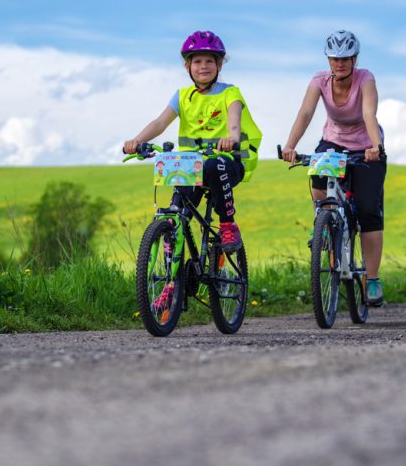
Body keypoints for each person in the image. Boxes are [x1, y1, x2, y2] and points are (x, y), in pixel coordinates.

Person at [124, 30, 261, 251]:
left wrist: (231, 138)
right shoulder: (182, 96)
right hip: (193, 166)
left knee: (215, 165)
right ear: (187, 66)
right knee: (175, 216)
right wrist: (136, 140)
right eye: (197, 61)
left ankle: (227, 224)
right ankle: (171, 279)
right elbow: (160, 123)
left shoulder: (230, 93)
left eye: (210, 61)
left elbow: (234, 121)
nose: (203, 66)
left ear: (219, 66)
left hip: (227, 162)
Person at [281, 30, 387, 307]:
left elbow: (368, 114)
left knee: (367, 209)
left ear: (354, 59)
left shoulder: (366, 78)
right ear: (328, 60)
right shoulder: (319, 80)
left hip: (366, 146)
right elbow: (305, 113)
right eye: (334, 59)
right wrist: (290, 145)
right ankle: (324, 225)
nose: (339, 64)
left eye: (345, 59)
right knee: (316, 172)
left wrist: (376, 147)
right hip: (333, 142)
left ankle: (372, 279)